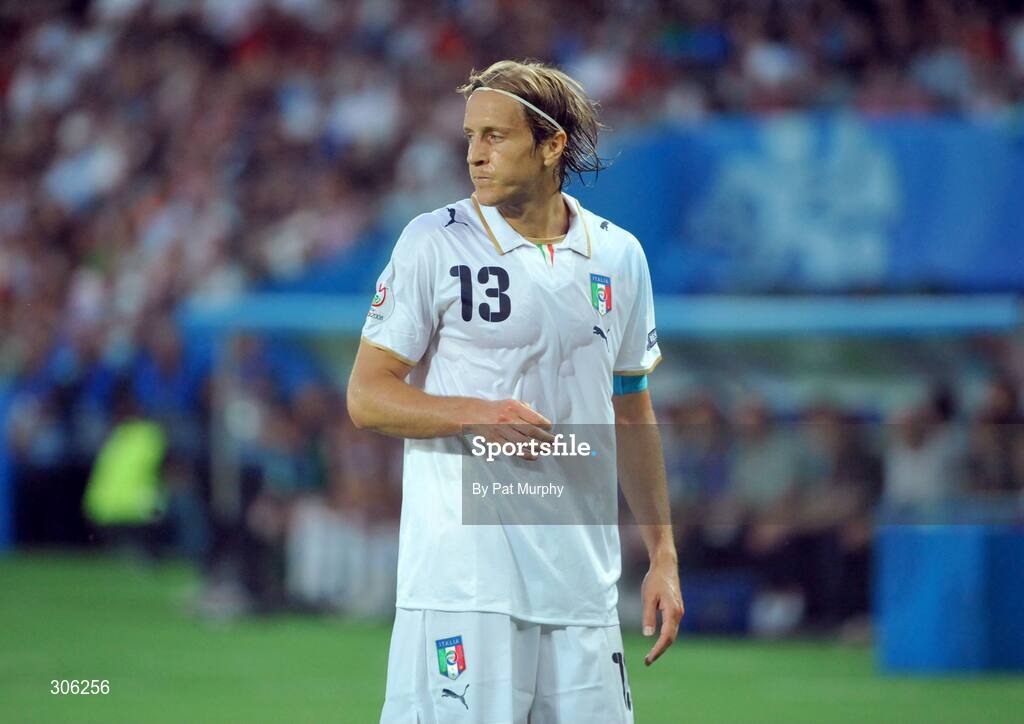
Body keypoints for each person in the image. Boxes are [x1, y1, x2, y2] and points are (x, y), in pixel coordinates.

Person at [347, 59, 683, 724]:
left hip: (583, 585)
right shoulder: (432, 244)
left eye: (495, 137)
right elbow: (367, 396)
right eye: (470, 137)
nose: (475, 155)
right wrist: (475, 413)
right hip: (466, 583)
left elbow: (631, 410)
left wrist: (663, 555)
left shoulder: (619, 257)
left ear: (551, 144)